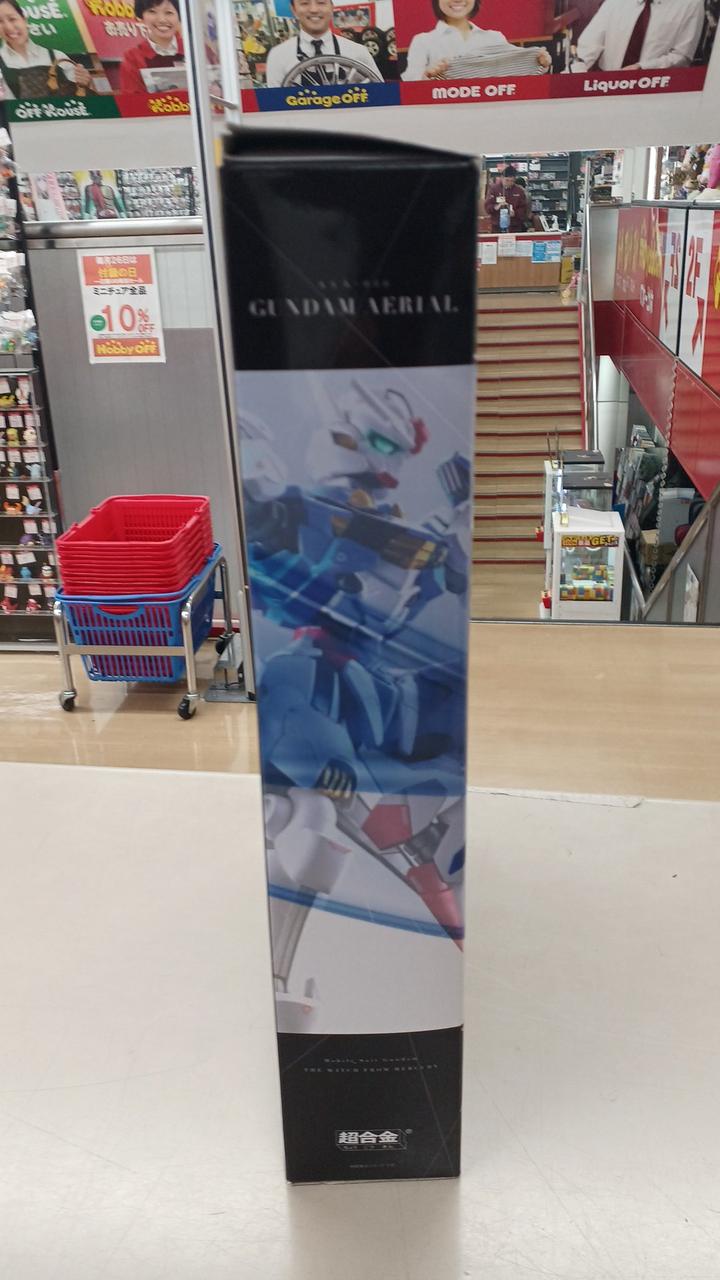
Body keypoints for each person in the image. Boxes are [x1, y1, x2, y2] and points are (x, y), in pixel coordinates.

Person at [402, 0, 551, 81]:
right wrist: (426, 76)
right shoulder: (423, 41)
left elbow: (515, 79)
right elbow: (409, 85)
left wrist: (539, 62)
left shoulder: (495, 37)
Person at [265, 0, 382, 88]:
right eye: (304, 3)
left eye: (321, 2)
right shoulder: (278, 56)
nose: (314, 9)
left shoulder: (358, 52)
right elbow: (275, 104)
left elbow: (381, 96)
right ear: (294, 10)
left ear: (331, 7)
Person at [571, 0, 705, 72]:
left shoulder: (692, 3)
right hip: (606, 84)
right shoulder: (614, 2)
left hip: (656, 88)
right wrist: (576, 71)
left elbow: (682, 56)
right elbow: (589, 45)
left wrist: (643, 67)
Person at [0, 0, 93, 98]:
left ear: (24, 20)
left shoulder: (57, 56)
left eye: (12, 19)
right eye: (0, 22)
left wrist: (84, 82)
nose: (8, 27)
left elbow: (79, 96)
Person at [119, 0, 184, 96]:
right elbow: (131, 100)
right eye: (152, 11)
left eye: (169, 12)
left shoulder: (196, 50)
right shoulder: (132, 58)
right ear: (141, 16)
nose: (162, 20)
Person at [485, 165, 529, 233]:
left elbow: (524, 209)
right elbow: (487, 206)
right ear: (502, 178)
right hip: (497, 226)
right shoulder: (494, 189)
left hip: (514, 227)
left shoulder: (519, 191)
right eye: (507, 180)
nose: (509, 183)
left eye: (512, 181)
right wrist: (495, 207)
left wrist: (515, 213)